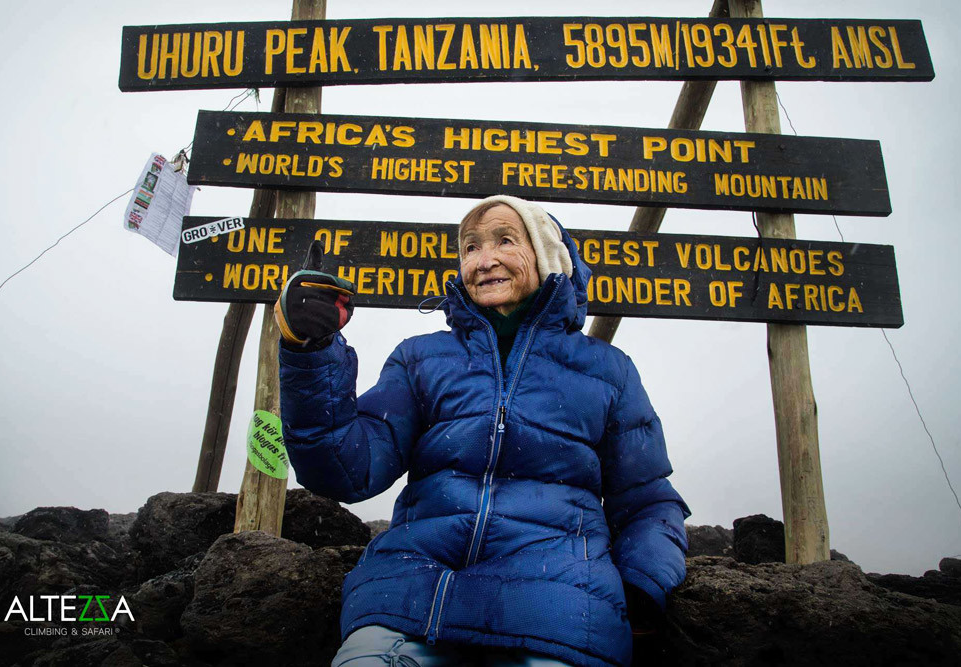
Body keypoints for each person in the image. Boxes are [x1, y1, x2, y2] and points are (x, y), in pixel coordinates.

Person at [276, 195, 690, 667]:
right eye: (470, 247)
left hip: (556, 615)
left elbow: (648, 500)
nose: (484, 259)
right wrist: (311, 351)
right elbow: (346, 471)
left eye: (505, 241)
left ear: (548, 257)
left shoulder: (609, 372)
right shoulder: (419, 359)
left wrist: (642, 586)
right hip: (407, 603)